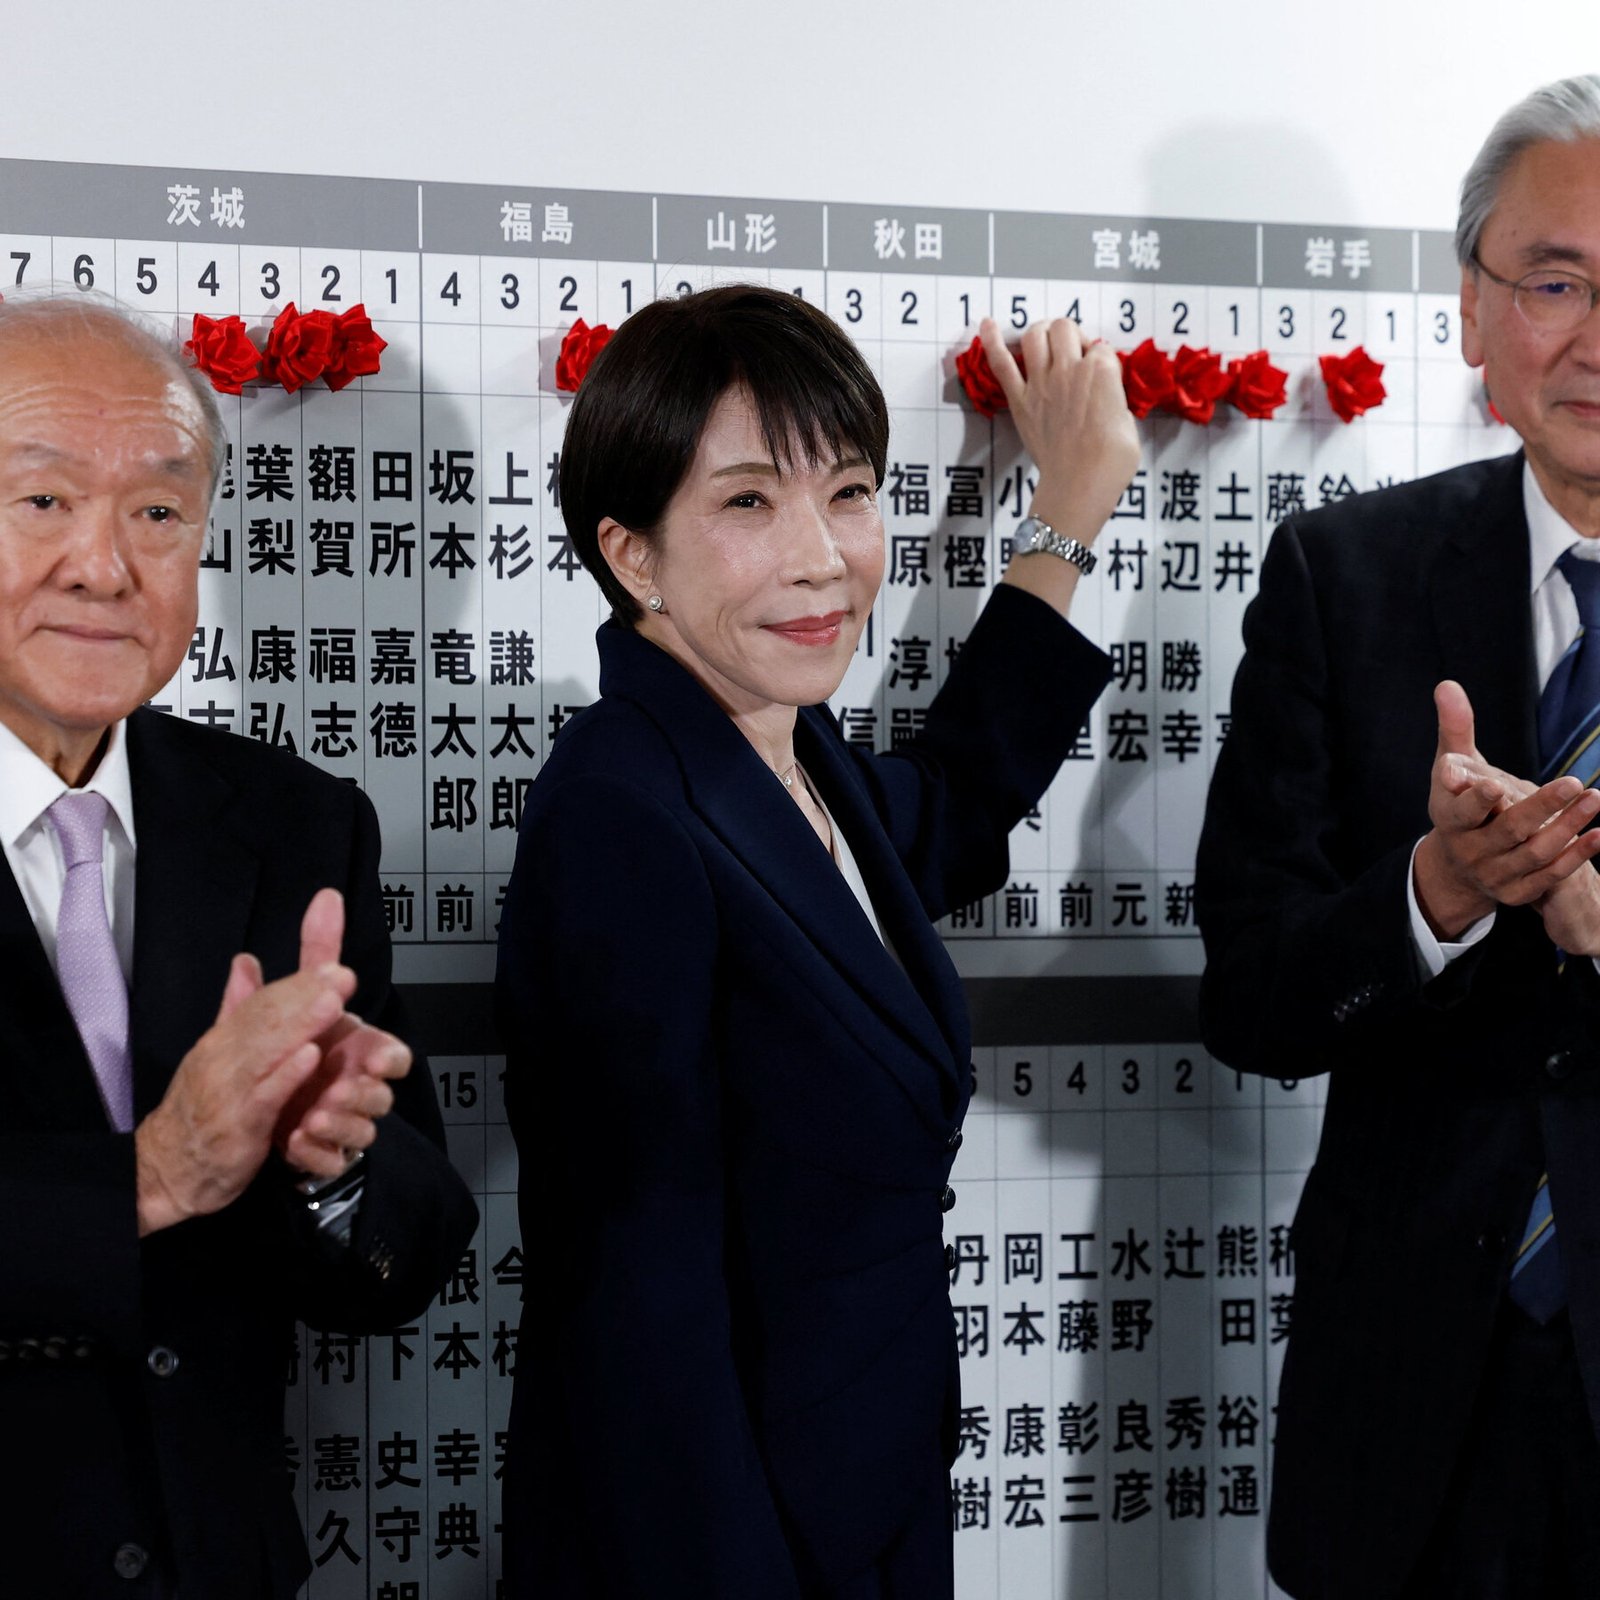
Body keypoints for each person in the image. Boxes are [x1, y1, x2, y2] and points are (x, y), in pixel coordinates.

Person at [495, 284, 1137, 1597]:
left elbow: (954, 800)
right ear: (631, 554)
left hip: (863, 1502)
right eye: (748, 502)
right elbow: (641, 1311)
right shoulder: (623, 810)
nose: (821, 557)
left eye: (847, 493)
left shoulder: (793, 760)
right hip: (733, 1549)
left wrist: (1069, 508)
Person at [0, 294, 478, 1598]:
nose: (106, 567)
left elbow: (408, 1249)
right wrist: (154, 1175)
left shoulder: (292, 824)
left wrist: (336, 1161)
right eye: (43, 501)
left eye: (158, 512)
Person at [1196, 74, 1600, 1600]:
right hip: (1419, 1405)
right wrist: (1433, 893)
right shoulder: (1344, 577)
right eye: (1556, 282)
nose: (1596, 340)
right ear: (1474, 309)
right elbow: (1250, 1000)